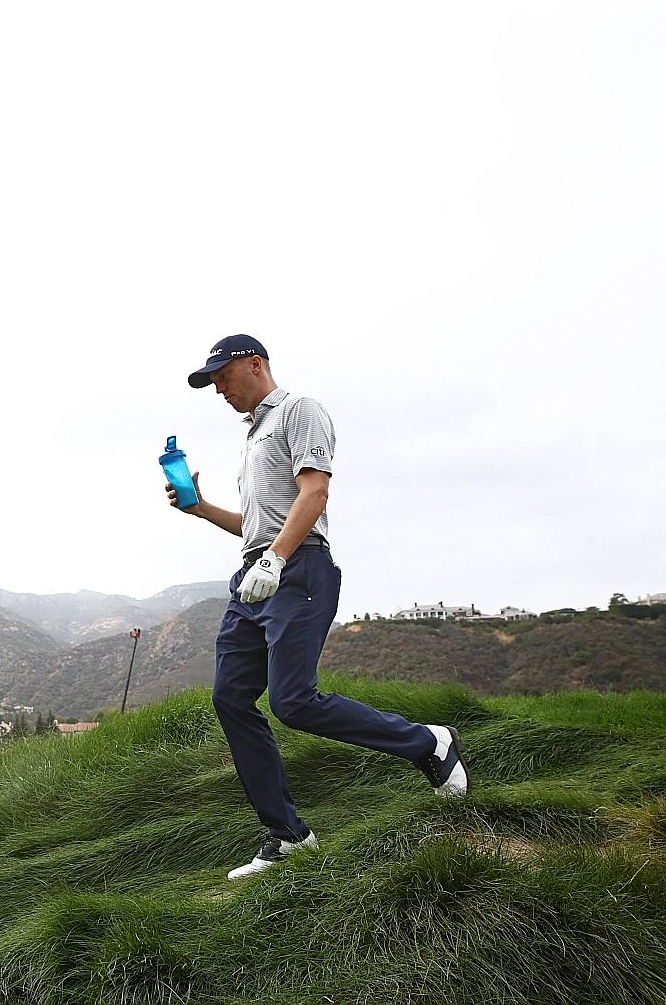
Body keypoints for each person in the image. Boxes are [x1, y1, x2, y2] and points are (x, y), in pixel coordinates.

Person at [167, 334, 468, 881]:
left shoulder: (299, 410)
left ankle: (429, 742)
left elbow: (314, 494)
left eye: (222, 376)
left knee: (292, 701)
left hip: (299, 568)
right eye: (212, 383)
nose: (219, 390)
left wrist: (276, 560)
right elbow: (255, 525)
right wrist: (201, 508)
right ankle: (287, 834)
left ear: (254, 364)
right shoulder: (253, 435)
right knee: (230, 698)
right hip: (256, 573)